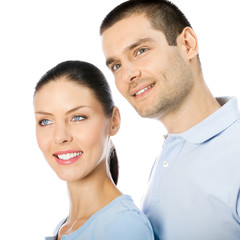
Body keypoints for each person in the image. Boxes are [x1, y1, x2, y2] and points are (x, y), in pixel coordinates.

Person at [100, 0, 240, 239]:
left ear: (187, 44)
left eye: (140, 51)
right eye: (116, 65)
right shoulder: (168, 153)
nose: (127, 75)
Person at [34, 60, 154, 240]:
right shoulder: (65, 227)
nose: (60, 137)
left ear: (113, 121)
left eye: (78, 117)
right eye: (45, 121)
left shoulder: (123, 227)